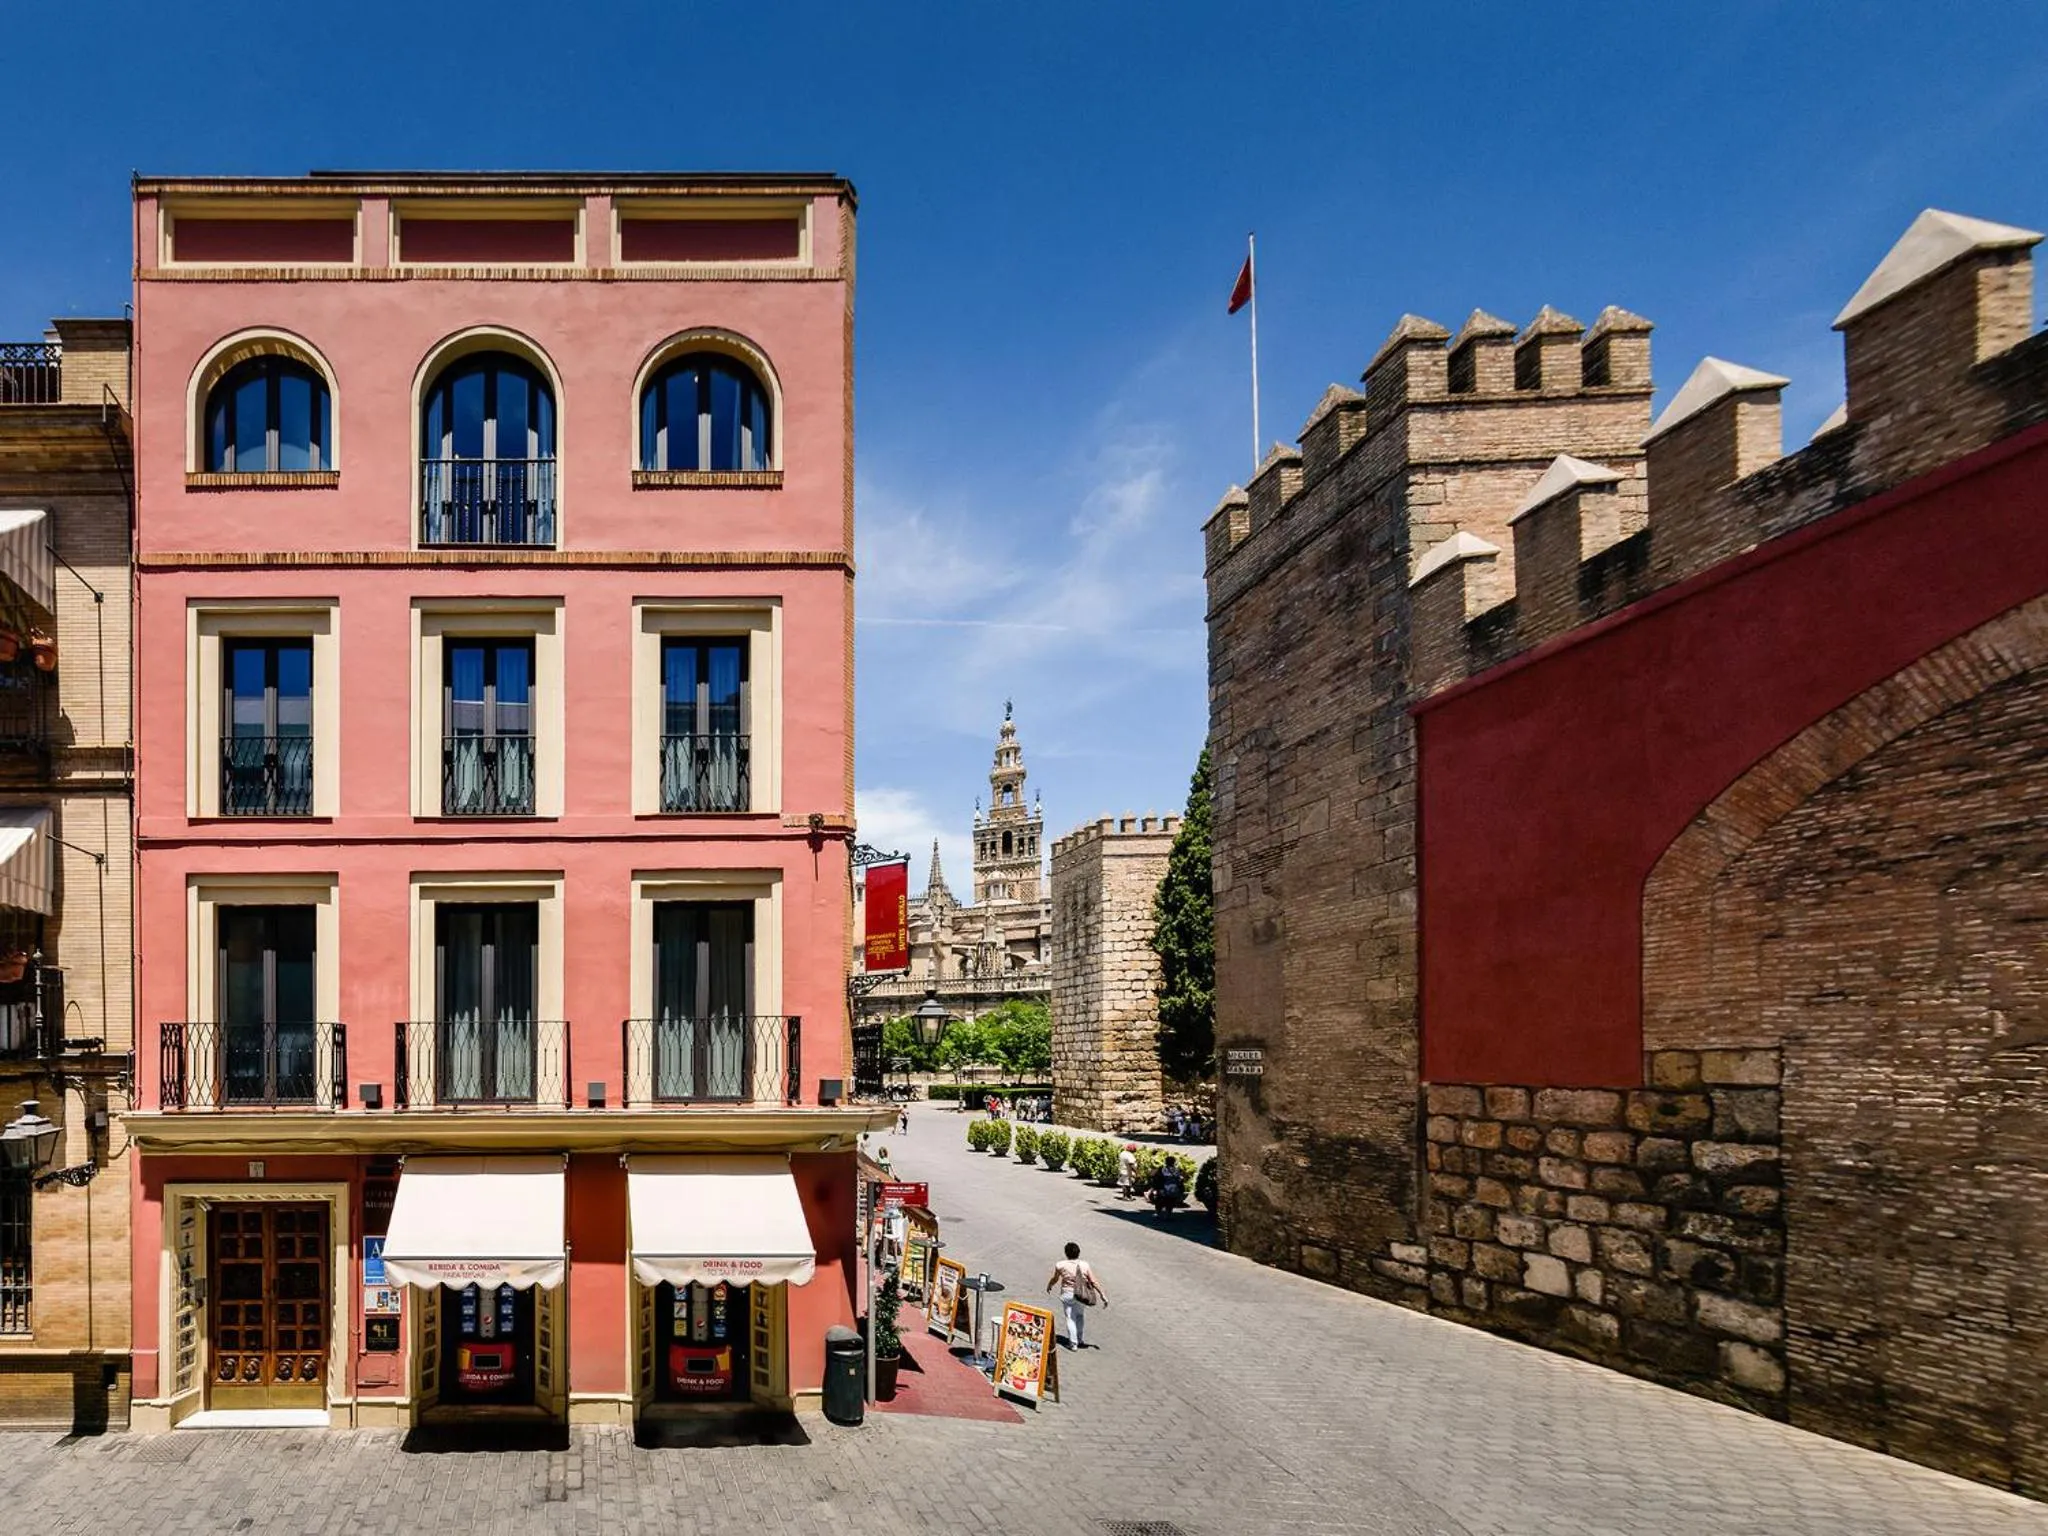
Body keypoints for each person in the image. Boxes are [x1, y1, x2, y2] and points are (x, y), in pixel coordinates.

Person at [1046, 1241, 1106, 1349]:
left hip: (1067, 1293)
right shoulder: (1084, 1265)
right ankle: (1080, 1339)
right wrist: (1102, 1294)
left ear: (1066, 1253)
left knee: (1070, 1317)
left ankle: (1073, 1343)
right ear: (1078, 1252)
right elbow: (1093, 1281)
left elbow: (1055, 1278)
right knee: (1080, 1316)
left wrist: (1050, 1285)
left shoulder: (1060, 1265)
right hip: (1081, 1294)